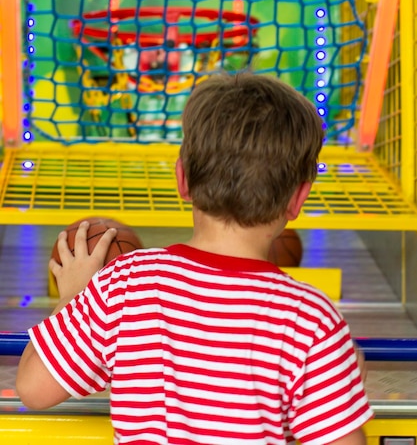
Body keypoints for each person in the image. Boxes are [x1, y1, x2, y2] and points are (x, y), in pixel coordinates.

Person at [16, 73, 373, 444]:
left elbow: (32, 388)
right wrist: (335, 392)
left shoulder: (126, 284)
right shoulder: (311, 320)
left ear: (182, 179)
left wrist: (73, 297)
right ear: (298, 199)